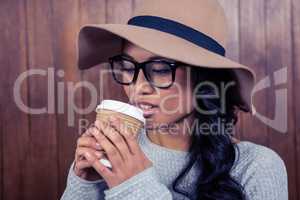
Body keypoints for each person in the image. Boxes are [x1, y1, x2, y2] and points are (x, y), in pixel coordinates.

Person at [61, 0, 288, 199]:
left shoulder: (256, 167)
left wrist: (136, 186)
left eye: (160, 69)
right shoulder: (110, 152)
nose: (137, 86)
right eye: (128, 67)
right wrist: (84, 185)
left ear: (205, 78)